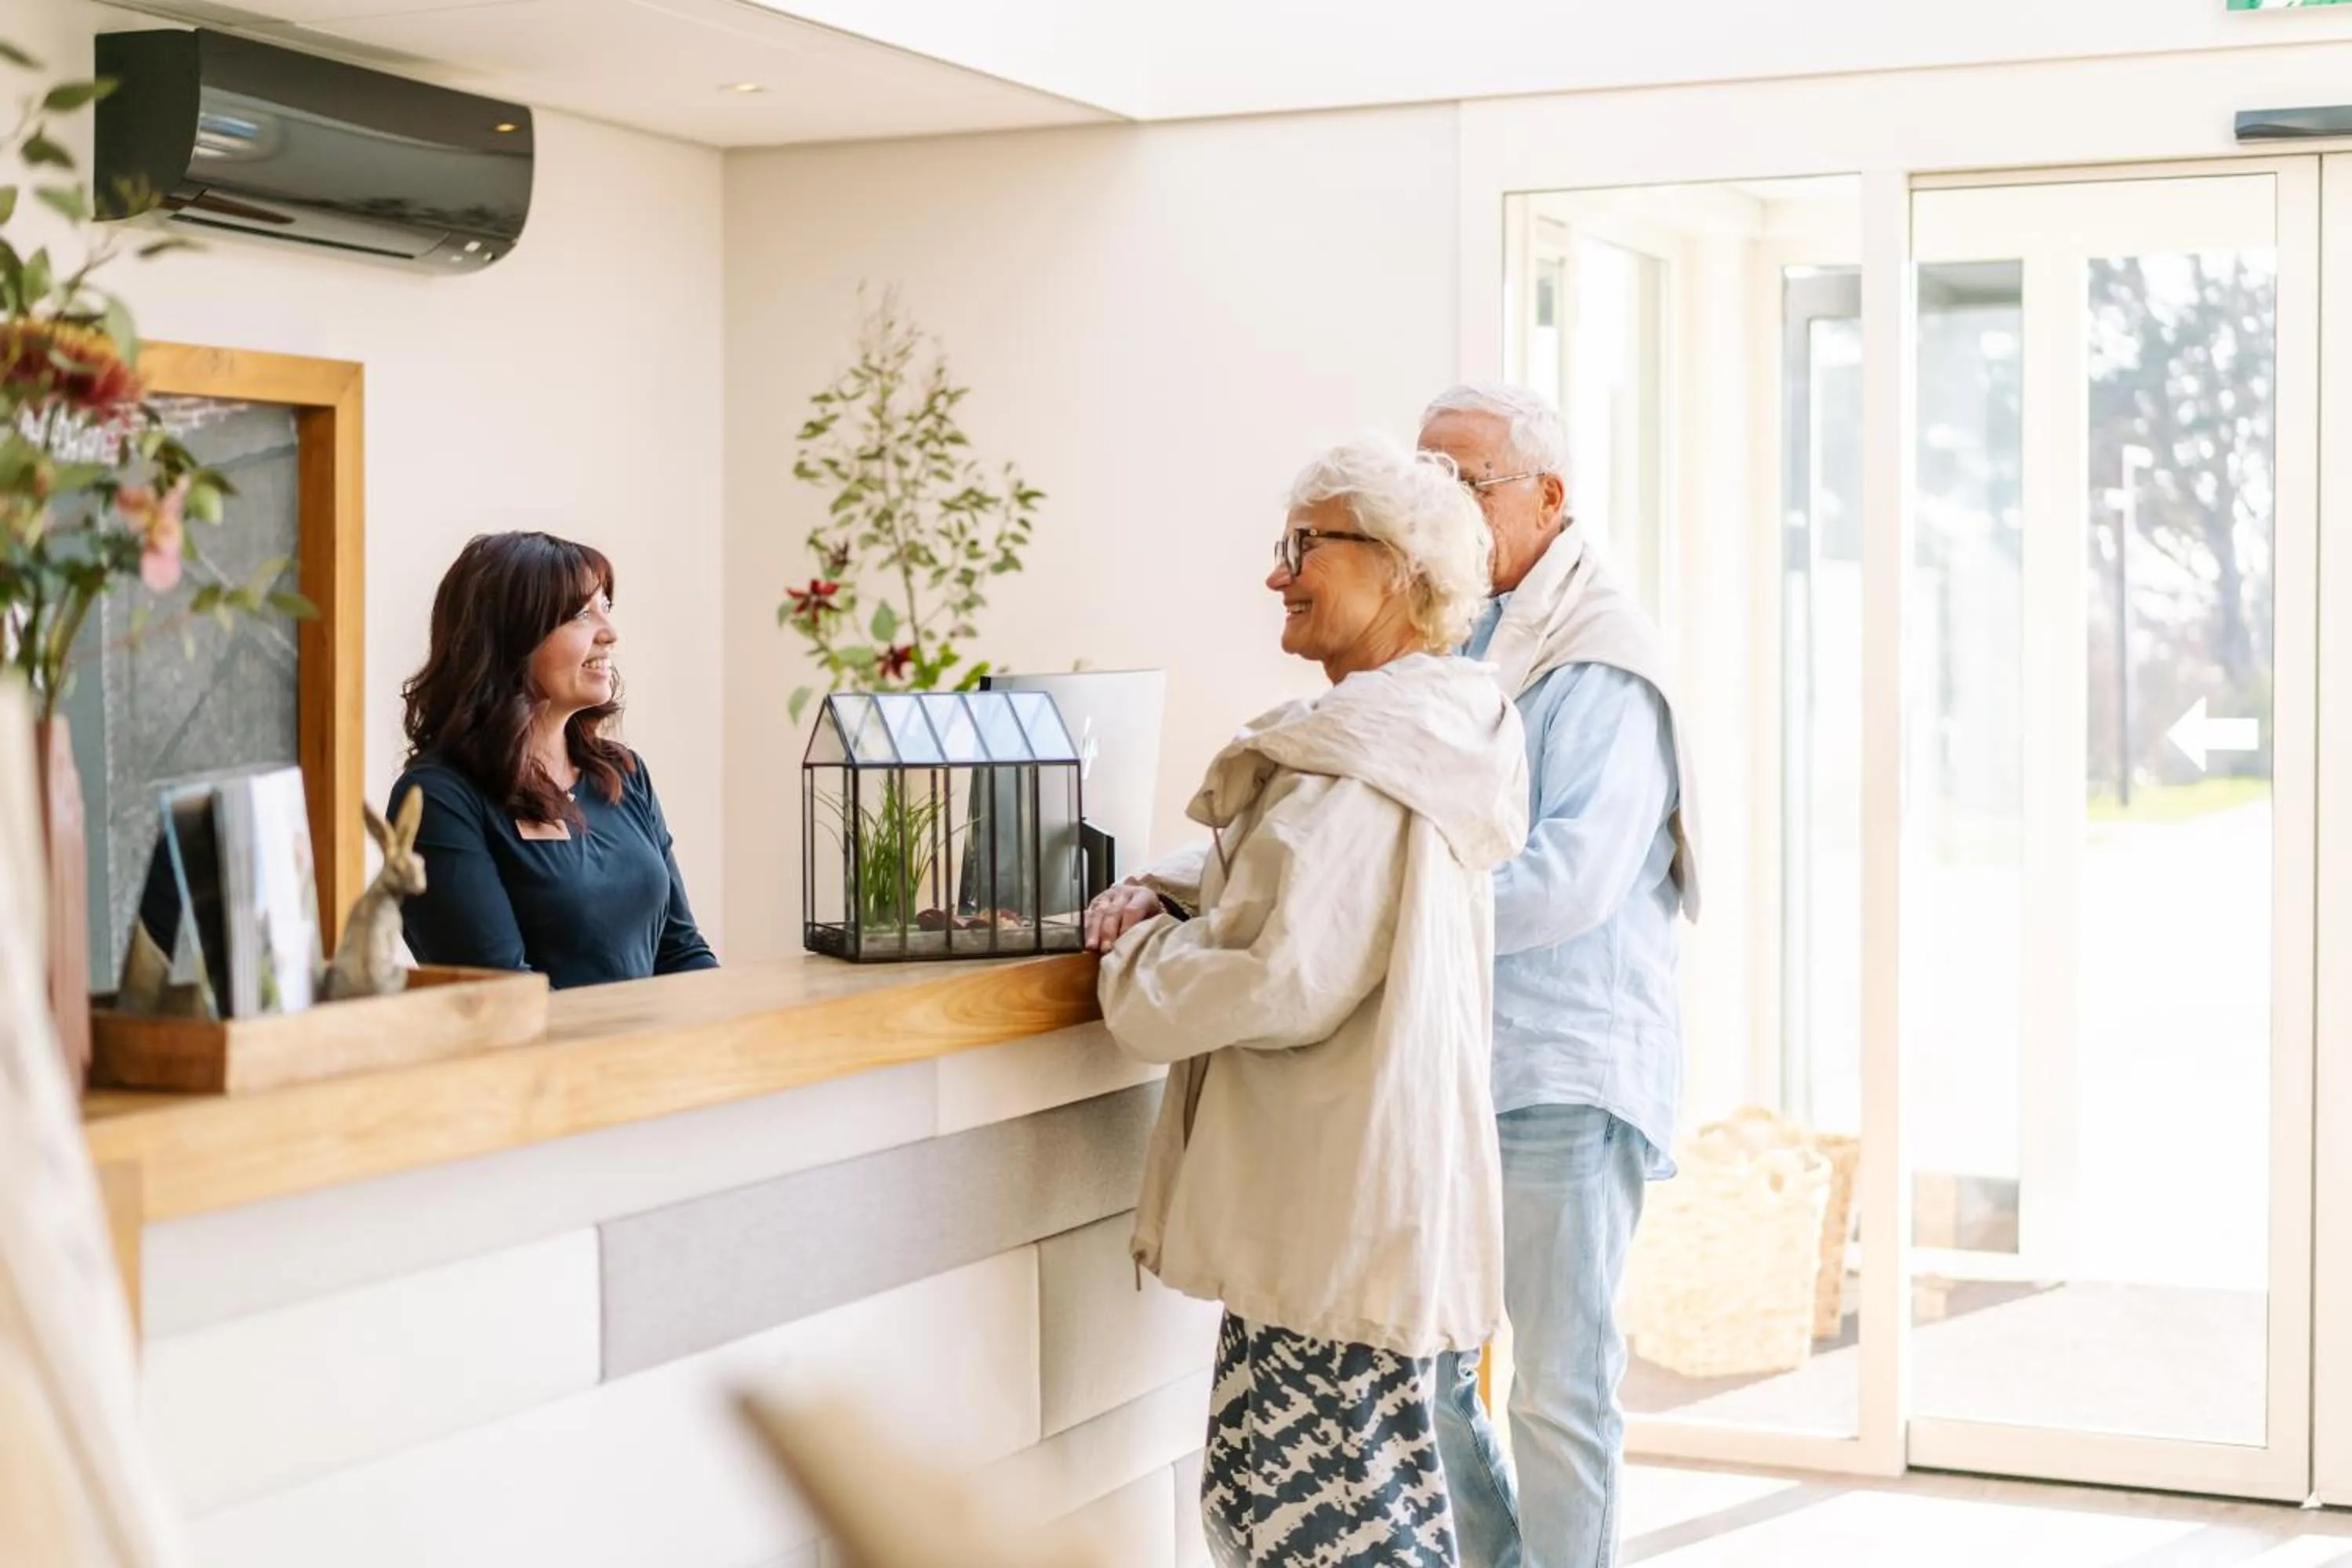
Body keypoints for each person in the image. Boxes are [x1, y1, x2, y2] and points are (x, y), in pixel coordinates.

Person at [1083, 434, 1529, 1568]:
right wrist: (1169, 884)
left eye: (1303, 546)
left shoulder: (1365, 762)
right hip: (1355, 1216)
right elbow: (1310, 886)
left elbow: (1280, 972)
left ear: (1395, 569)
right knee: (1329, 1520)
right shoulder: (1414, 738)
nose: (1277, 575)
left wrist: (1130, 969)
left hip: (1332, 1228)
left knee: (1310, 1536)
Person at [1417, 383, 1700, 1568]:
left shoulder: (1605, 659)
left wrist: (1397, 912)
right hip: (1458, 1063)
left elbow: (1570, 880)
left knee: (1561, 1393)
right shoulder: (1446, 642)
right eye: (1422, 479)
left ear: (1550, 497)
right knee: (1423, 1373)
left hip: (1570, 1069)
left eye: (1465, 481)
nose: (1440, 505)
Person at [391, 531, 717, 989]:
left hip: (649, 1055)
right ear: (511, 635)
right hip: (541, 1060)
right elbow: (502, 993)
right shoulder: (440, 799)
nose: (610, 633)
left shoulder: (623, 774)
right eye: (583, 614)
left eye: (607, 607)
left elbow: (681, 952)